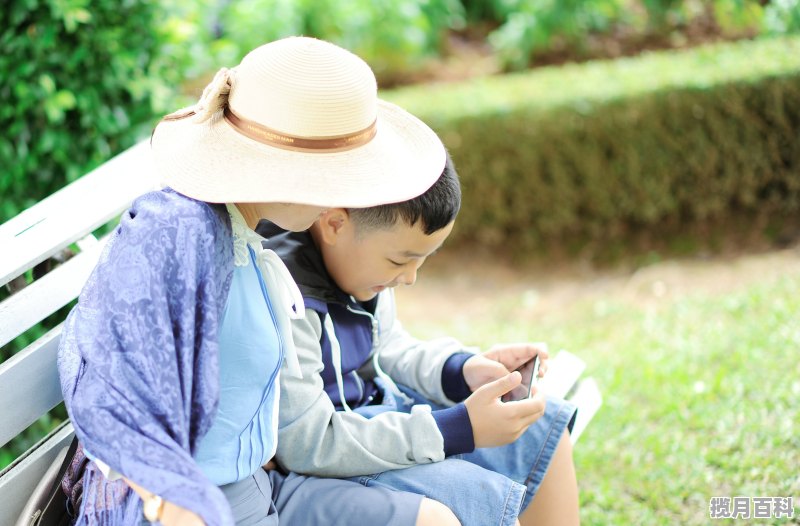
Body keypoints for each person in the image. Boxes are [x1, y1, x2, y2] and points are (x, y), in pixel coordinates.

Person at [57, 36, 461, 526]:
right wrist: (168, 497)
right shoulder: (178, 229)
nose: (352, 199)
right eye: (348, 178)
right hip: (192, 507)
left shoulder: (246, 234)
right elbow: (105, 364)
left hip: (255, 488)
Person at [259, 153, 581, 526]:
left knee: (544, 429)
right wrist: (458, 429)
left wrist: (463, 370)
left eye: (422, 261)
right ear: (334, 224)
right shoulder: (286, 292)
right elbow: (308, 442)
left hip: (381, 415)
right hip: (331, 456)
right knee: (468, 491)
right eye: (400, 262)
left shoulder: (358, 262)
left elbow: (390, 346)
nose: (409, 278)